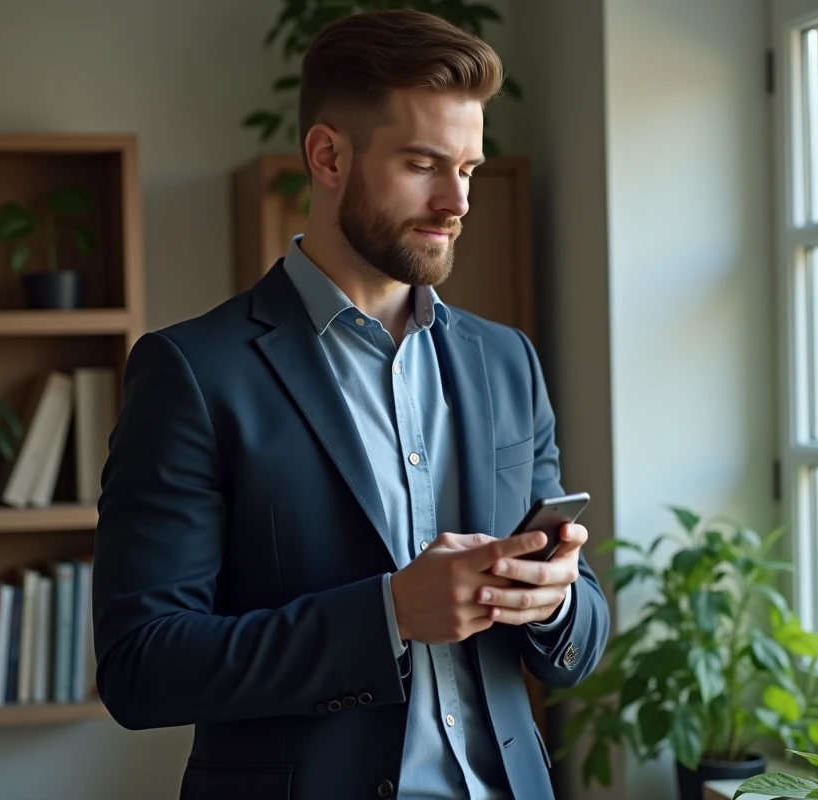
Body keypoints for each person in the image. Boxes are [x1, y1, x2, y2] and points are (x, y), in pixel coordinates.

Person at [92, 8, 609, 800]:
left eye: (467, 168)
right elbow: (142, 668)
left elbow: (582, 630)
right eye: (423, 164)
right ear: (328, 155)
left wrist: (555, 603)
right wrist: (389, 614)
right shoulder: (190, 373)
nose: (457, 202)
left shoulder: (509, 361)